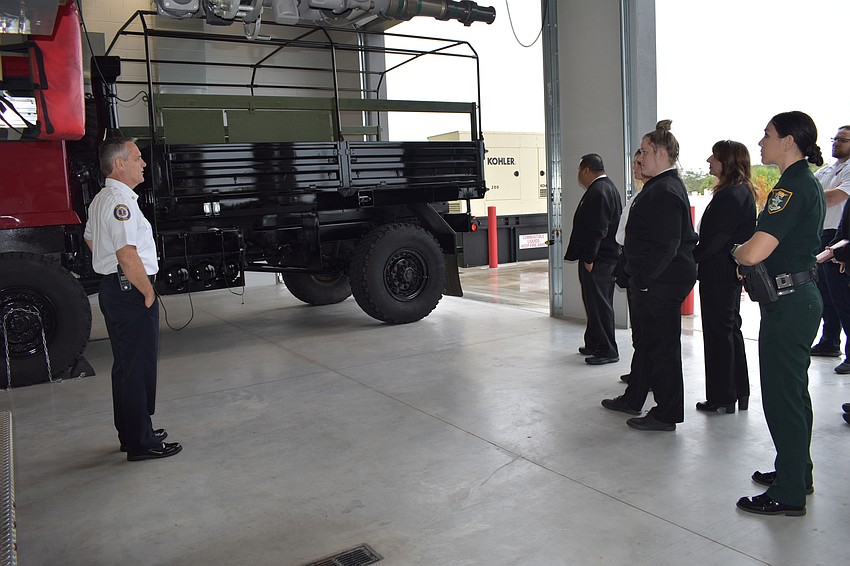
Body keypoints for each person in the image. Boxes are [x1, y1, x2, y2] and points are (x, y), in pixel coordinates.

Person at [733, 111, 824, 516]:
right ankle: (796, 471)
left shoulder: (791, 188)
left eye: (767, 135)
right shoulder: (805, 182)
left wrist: (737, 251)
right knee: (794, 393)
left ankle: (788, 493)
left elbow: (753, 251)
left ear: (789, 141)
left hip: (788, 304)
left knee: (782, 396)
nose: (761, 141)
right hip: (796, 298)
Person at [84, 137, 182, 461]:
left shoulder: (103, 198)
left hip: (116, 288)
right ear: (119, 164)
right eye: (137, 158)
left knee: (126, 366)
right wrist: (147, 290)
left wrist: (113, 269)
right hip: (130, 292)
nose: (143, 163)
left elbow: (91, 240)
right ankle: (142, 443)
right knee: (137, 367)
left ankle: (132, 432)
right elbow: (126, 253)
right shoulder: (119, 202)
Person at [601, 120, 697, 431]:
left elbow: (667, 246)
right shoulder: (659, 186)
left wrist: (643, 281)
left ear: (659, 152)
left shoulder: (666, 190)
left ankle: (667, 413)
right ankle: (634, 396)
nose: (639, 157)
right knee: (646, 342)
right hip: (653, 280)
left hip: (661, 282)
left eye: (643, 151)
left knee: (662, 348)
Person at [693, 140, 756, 414]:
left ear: (727, 161)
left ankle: (722, 396)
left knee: (719, 334)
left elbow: (716, 238)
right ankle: (737, 391)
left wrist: (693, 256)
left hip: (718, 270)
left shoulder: (730, 195)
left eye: (714, 156)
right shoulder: (740, 192)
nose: (709, 160)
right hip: (727, 270)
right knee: (730, 331)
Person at [565, 153, 623, 365]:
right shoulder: (605, 187)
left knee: (600, 305)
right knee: (594, 303)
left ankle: (607, 350)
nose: (579, 175)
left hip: (600, 260)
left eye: (580, 170)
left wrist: (589, 258)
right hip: (602, 258)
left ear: (587, 170)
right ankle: (594, 342)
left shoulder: (599, 191)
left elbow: (598, 228)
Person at [810, 126, 850, 374]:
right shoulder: (825, 169)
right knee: (826, 294)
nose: (836, 143)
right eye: (834, 139)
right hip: (821, 233)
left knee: (842, 298)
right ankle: (829, 341)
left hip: (840, 236)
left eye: (843, 140)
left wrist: (808, 195)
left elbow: (835, 197)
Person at [617, 150, 650, 385]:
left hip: (643, 270)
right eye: (634, 164)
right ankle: (640, 372)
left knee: (645, 330)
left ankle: (645, 376)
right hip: (631, 264)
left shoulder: (651, 195)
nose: (635, 168)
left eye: (639, 163)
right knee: (639, 331)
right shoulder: (638, 195)